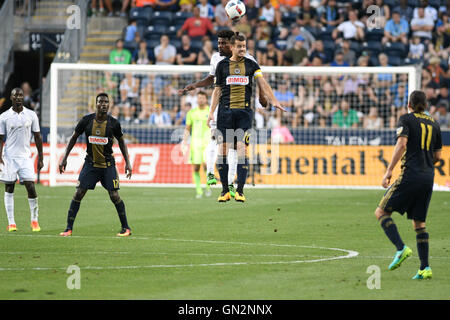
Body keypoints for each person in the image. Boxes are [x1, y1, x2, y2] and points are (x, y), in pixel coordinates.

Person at [178, 30, 271, 198]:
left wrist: (264, 98)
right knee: (219, 143)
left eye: (223, 43)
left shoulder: (249, 61)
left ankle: (232, 183)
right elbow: (213, 81)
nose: (219, 46)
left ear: (232, 45)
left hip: (242, 109)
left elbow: (259, 81)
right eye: (218, 43)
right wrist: (196, 85)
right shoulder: (216, 59)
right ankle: (214, 176)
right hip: (222, 109)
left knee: (237, 147)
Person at [208, 32, 285, 202]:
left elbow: (262, 83)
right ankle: (224, 191)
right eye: (239, 46)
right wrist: (211, 112)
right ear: (232, 47)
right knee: (223, 150)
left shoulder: (251, 64)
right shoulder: (222, 66)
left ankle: (240, 190)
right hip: (225, 112)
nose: (242, 49)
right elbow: (217, 90)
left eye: (244, 46)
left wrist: (274, 100)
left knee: (242, 148)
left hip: (244, 112)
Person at [375, 90, 442, 280]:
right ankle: (424, 268)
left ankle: (401, 248)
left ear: (409, 104)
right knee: (419, 223)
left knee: (381, 212)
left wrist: (389, 170)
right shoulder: (435, 123)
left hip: (410, 174)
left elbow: (402, 144)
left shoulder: (406, 119)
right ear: (426, 105)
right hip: (428, 177)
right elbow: (437, 156)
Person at [58, 93, 132, 237]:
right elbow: (73, 138)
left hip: (107, 165)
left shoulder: (113, 123)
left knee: (114, 195)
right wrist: (64, 158)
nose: (103, 104)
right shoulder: (86, 121)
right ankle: (68, 229)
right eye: (100, 102)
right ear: (96, 104)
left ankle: (126, 228)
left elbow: (122, 142)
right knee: (78, 193)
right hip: (90, 164)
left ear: (109, 105)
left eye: (106, 102)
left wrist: (128, 163)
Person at [0, 88, 43, 232]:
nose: (18, 97)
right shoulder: (4, 117)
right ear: (11, 97)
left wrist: (41, 157)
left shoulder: (31, 115)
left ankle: (34, 221)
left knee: (31, 186)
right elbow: (0, 139)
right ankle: (11, 223)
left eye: (20, 95)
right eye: (15, 95)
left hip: (25, 157)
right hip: (9, 157)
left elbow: (37, 136)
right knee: (9, 187)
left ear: (23, 97)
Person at [181, 91, 212, 198]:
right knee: (196, 168)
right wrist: (184, 142)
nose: (200, 100)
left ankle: (208, 187)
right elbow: (187, 129)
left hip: (208, 142)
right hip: (195, 143)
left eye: (202, 98)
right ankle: (199, 191)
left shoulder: (211, 111)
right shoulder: (192, 113)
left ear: (206, 99)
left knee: (207, 165)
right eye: (199, 98)